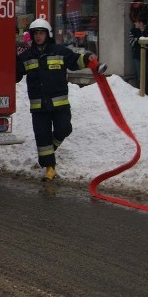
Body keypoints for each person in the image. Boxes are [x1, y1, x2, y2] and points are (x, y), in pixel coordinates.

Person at [16, 18, 106, 181]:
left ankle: (49, 153)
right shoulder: (26, 56)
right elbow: (14, 73)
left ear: (47, 34)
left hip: (60, 104)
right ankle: (50, 169)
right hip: (39, 107)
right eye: (35, 33)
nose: (38, 36)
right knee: (43, 139)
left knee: (64, 129)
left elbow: (74, 61)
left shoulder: (59, 51)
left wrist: (87, 59)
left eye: (41, 33)